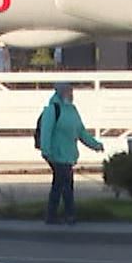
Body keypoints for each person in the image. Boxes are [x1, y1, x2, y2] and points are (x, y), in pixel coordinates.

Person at [36, 81, 102, 226]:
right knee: (64, 183)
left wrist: (95, 145)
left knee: (62, 184)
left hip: (68, 155)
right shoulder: (52, 110)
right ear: (60, 92)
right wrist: (46, 150)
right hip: (55, 154)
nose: (71, 94)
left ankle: (57, 215)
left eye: (71, 91)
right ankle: (66, 215)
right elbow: (46, 132)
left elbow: (81, 132)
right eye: (68, 91)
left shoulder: (72, 110)